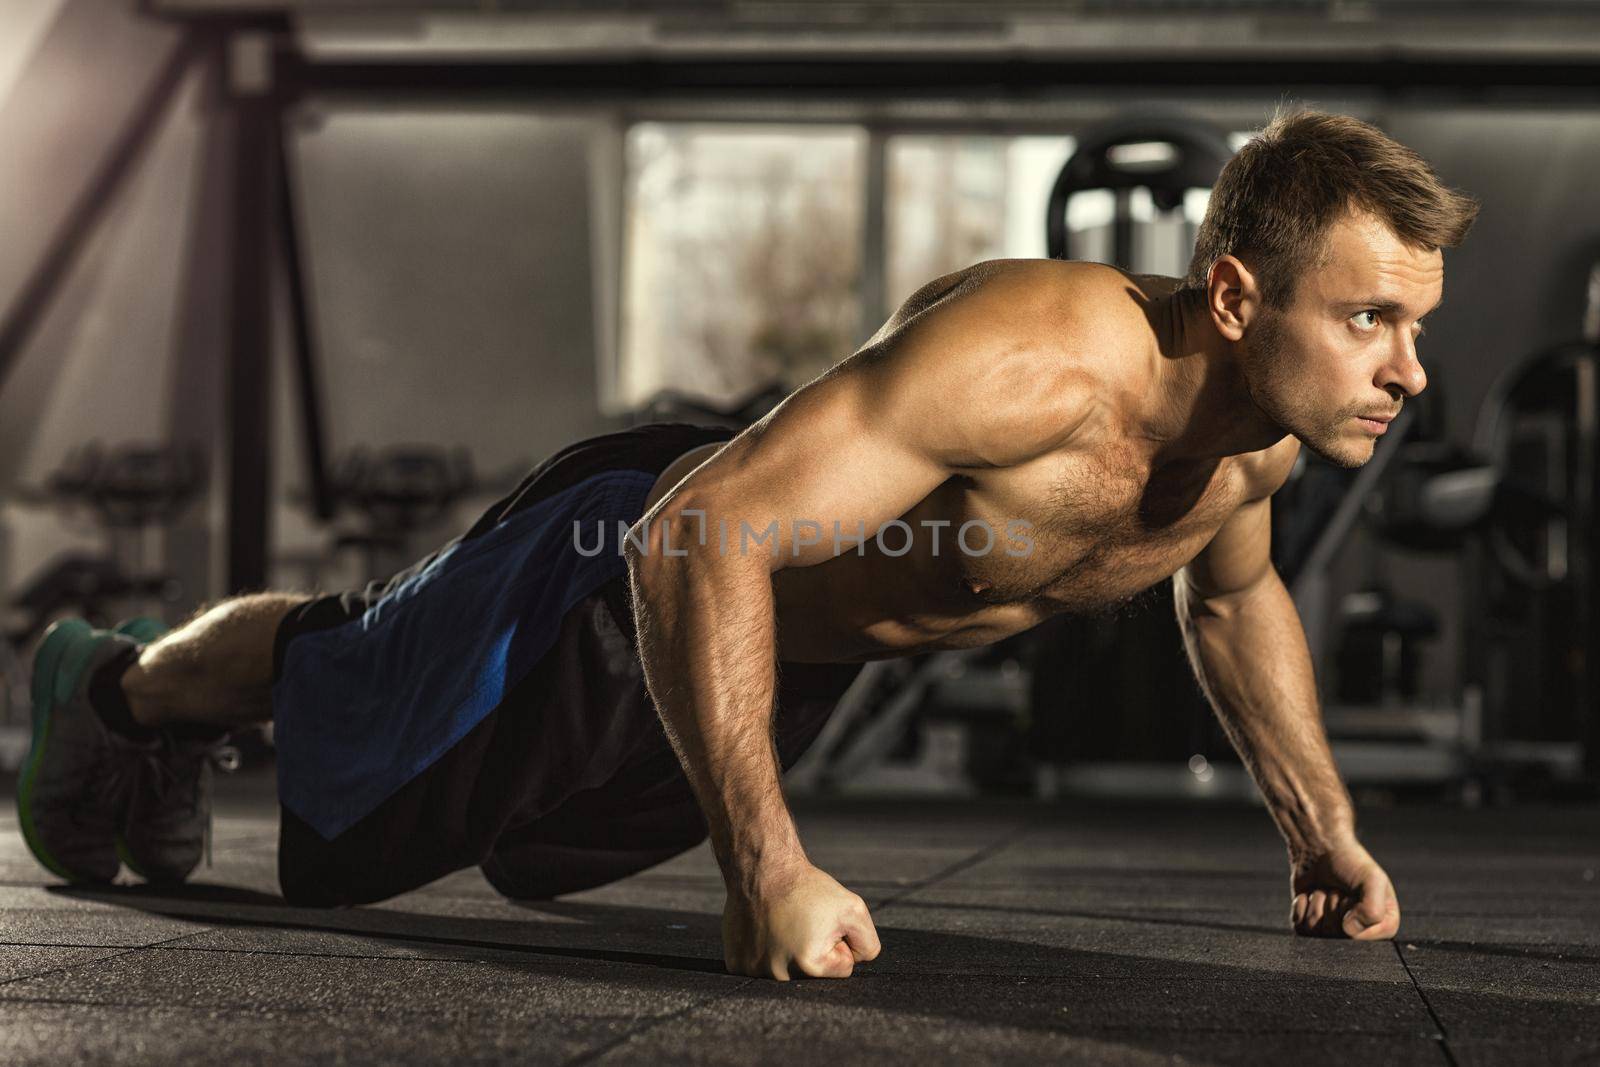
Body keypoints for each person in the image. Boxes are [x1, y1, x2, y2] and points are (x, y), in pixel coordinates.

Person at [15, 108, 1477, 982]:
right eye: (1370, 320)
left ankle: (154, 712)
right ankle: (112, 693)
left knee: (519, 849)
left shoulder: (1261, 443)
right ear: (1234, 297)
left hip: (775, 644)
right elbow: (691, 537)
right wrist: (762, 872)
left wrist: (1319, 831)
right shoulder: (1037, 361)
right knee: (356, 718)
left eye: (1413, 324)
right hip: (637, 551)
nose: (1407, 369)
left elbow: (1232, 604)